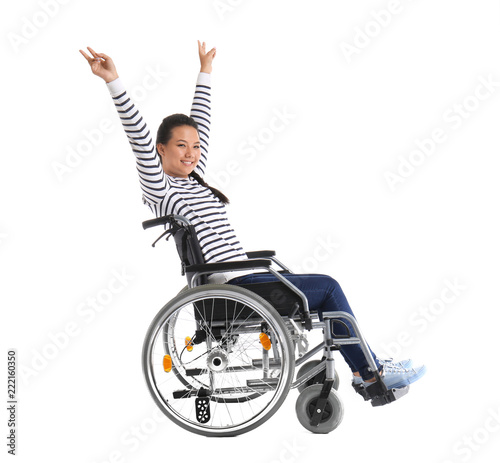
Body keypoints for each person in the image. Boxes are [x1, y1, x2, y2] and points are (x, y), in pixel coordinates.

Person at [80, 42, 426, 392]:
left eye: (195, 147)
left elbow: (201, 123)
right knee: (328, 288)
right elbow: (138, 135)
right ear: (161, 150)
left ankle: (367, 367)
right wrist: (114, 81)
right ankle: (370, 373)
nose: (191, 153)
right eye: (181, 145)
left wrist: (205, 71)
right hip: (235, 288)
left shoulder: (194, 178)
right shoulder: (161, 188)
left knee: (324, 292)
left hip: (246, 279)